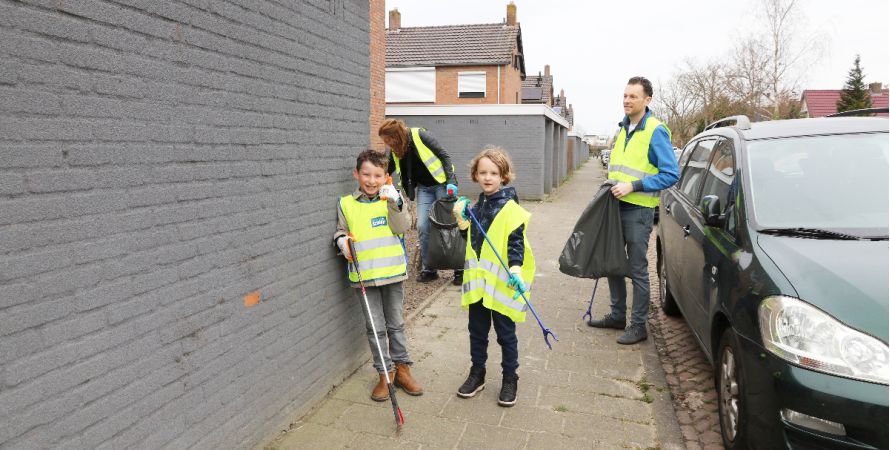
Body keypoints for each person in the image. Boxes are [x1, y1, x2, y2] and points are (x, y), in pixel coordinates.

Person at [587, 76, 680, 345]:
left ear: (647, 100)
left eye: (633, 96)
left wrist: (634, 186)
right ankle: (617, 316)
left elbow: (671, 174)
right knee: (613, 263)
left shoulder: (655, 130)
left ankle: (638, 326)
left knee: (637, 268)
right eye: (625, 96)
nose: (627, 101)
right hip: (614, 207)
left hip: (638, 211)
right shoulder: (623, 129)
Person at [333, 149, 423, 401]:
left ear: (386, 177)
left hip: (392, 273)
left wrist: (395, 201)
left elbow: (402, 226)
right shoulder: (346, 203)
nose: (371, 181)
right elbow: (341, 231)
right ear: (356, 174)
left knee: (396, 324)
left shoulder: (393, 198)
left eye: (377, 176)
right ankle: (385, 374)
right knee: (375, 328)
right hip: (364, 277)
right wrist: (341, 242)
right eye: (366, 175)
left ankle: (402, 369)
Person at [451, 146, 536, 407]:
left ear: (504, 176)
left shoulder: (510, 208)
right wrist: (463, 222)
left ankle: (510, 378)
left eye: (494, 173)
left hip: (501, 284)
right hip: (479, 285)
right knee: (476, 332)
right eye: (483, 172)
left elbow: (515, 242)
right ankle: (477, 373)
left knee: (505, 334)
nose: (488, 177)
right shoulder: (477, 206)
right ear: (476, 175)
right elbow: (473, 241)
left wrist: (516, 269)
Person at [378, 119, 463, 285]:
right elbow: (388, 168)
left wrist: (451, 181)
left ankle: (460, 269)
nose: (387, 144)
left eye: (387, 140)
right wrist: (376, 180)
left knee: (450, 225)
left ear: (395, 136)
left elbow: (444, 155)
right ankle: (429, 269)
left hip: (442, 185)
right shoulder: (396, 149)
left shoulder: (420, 135)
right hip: (424, 189)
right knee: (423, 226)